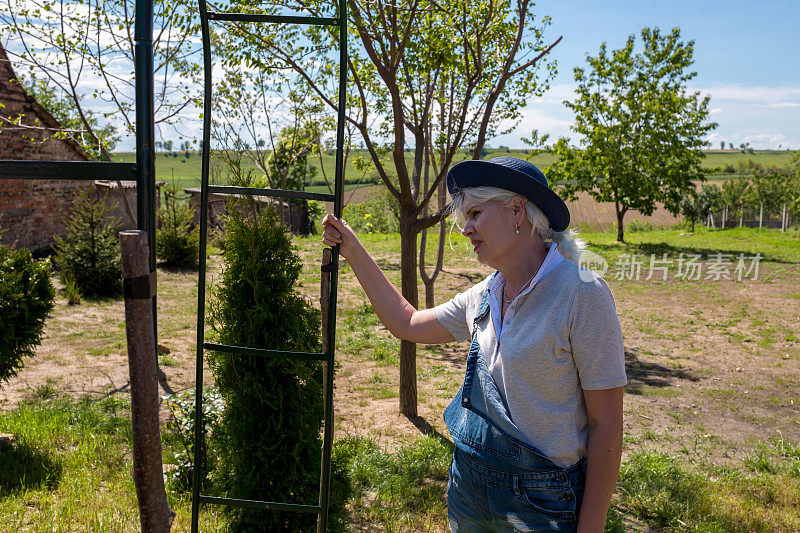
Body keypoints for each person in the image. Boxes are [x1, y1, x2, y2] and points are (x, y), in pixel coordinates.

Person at [322, 156, 626, 532]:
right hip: (470, 490)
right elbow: (407, 322)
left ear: (517, 209)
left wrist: (591, 527)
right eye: (464, 217)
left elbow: (607, 423)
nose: (465, 229)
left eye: (476, 213)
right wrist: (352, 248)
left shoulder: (582, 294)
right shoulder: (485, 294)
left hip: (541, 504)